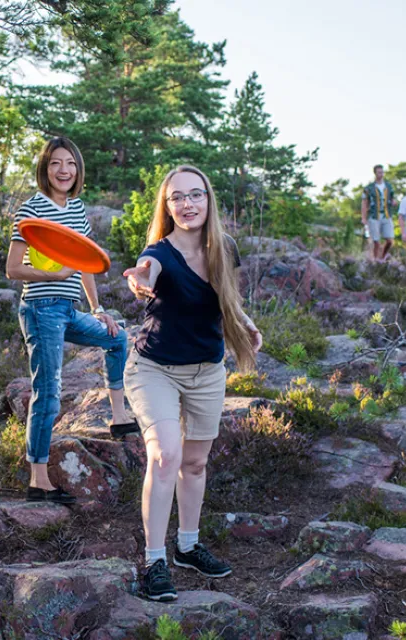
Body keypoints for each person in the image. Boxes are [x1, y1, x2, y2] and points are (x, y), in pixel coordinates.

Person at [121, 165, 262, 602]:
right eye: (177, 197)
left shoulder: (225, 247)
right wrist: (139, 281)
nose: (187, 204)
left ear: (208, 200)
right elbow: (146, 274)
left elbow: (226, 298)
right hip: (154, 368)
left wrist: (243, 322)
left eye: (195, 195)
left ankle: (187, 546)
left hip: (206, 370)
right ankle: (154, 561)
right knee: (165, 457)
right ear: (167, 206)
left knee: (195, 464)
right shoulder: (158, 253)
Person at [5, 136, 137, 505]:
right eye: (55, 164)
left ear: (78, 169)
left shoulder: (77, 210)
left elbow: (87, 265)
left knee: (117, 338)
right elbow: (13, 268)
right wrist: (54, 275)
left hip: (68, 310)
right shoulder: (30, 210)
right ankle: (39, 481)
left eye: (71, 164)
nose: (64, 171)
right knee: (48, 392)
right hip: (40, 308)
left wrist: (98, 309)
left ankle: (118, 418)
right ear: (45, 169)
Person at [362, 164, 399, 261]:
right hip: (374, 216)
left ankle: (382, 257)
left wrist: (393, 202)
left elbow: (392, 198)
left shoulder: (389, 186)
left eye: (382, 172)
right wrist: (363, 217)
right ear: (375, 173)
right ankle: (375, 261)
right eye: (379, 172)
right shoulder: (369, 188)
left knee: (390, 240)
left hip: (387, 215)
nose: (381, 174)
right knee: (376, 241)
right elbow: (364, 202)